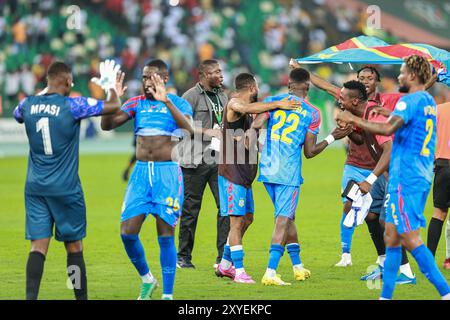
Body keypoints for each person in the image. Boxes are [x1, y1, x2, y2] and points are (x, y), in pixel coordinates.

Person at [336, 55, 450, 300]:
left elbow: (388, 130)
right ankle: (385, 297)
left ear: (411, 76)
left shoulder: (408, 101)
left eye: (401, 72)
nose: (397, 76)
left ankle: (446, 293)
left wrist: (354, 118)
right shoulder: (427, 100)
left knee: (408, 236)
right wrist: (387, 110)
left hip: (407, 176)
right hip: (414, 174)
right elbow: (410, 123)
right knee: (392, 234)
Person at [291, 59, 416, 283]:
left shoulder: (375, 113)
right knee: (370, 216)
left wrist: (371, 178)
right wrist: (348, 131)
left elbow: (388, 151)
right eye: (362, 78)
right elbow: (363, 138)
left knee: (387, 222)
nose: (339, 100)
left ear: (356, 99)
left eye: (343, 98)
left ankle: (407, 273)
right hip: (375, 169)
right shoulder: (360, 112)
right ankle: (383, 263)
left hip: (396, 172)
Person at [13, 60, 126, 300]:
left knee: (37, 247)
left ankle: (30, 297)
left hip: (35, 187)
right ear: (66, 82)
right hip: (65, 188)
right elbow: (114, 105)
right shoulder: (73, 105)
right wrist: (110, 87)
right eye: (70, 82)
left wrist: (45, 90)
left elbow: (17, 114)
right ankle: (80, 297)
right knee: (74, 248)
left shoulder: (27, 104)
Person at [100, 59, 194, 300]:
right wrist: (112, 96)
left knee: (165, 235)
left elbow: (189, 130)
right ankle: (147, 279)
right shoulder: (136, 104)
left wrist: (167, 102)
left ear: (164, 79)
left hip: (167, 174)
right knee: (127, 233)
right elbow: (107, 124)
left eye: (150, 77)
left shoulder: (179, 103)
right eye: (143, 77)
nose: (145, 82)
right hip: (141, 174)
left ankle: (168, 295)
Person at [253, 68, 351, 286]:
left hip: (267, 169)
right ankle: (270, 271)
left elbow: (257, 124)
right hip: (288, 172)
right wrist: (332, 136)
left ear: (289, 85)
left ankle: (298, 267)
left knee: (289, 218)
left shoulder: (273, 101)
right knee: (282, 220)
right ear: (307, 87)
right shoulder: (312, 113)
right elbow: (310, 151)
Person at [215, 73, 301, 283]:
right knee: (236, 223)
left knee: (247, 218)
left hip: (244, 175)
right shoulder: (234, 103)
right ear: (252, 87)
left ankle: (225, 265)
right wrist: (277, 104)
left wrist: (268, 148)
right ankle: (240, 271)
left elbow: (248, 142)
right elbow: (247, 108)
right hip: (231, 173)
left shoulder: (247, 115)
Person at [177, 59, 229, 268]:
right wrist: (207, 131)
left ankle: (222, 258)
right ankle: (183, 257)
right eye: (217, 72)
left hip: (219, 159)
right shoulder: (189, 97)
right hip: (194, 160)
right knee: (191, 210)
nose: (221, 75)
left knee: (225, 207)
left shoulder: (223, 96)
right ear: (205, 75)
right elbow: (182, 125)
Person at [427, 101, 450, 269]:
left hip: (443, 165)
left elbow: (428, 137)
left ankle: (428, 260)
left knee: (439, 213)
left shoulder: (439, 110)